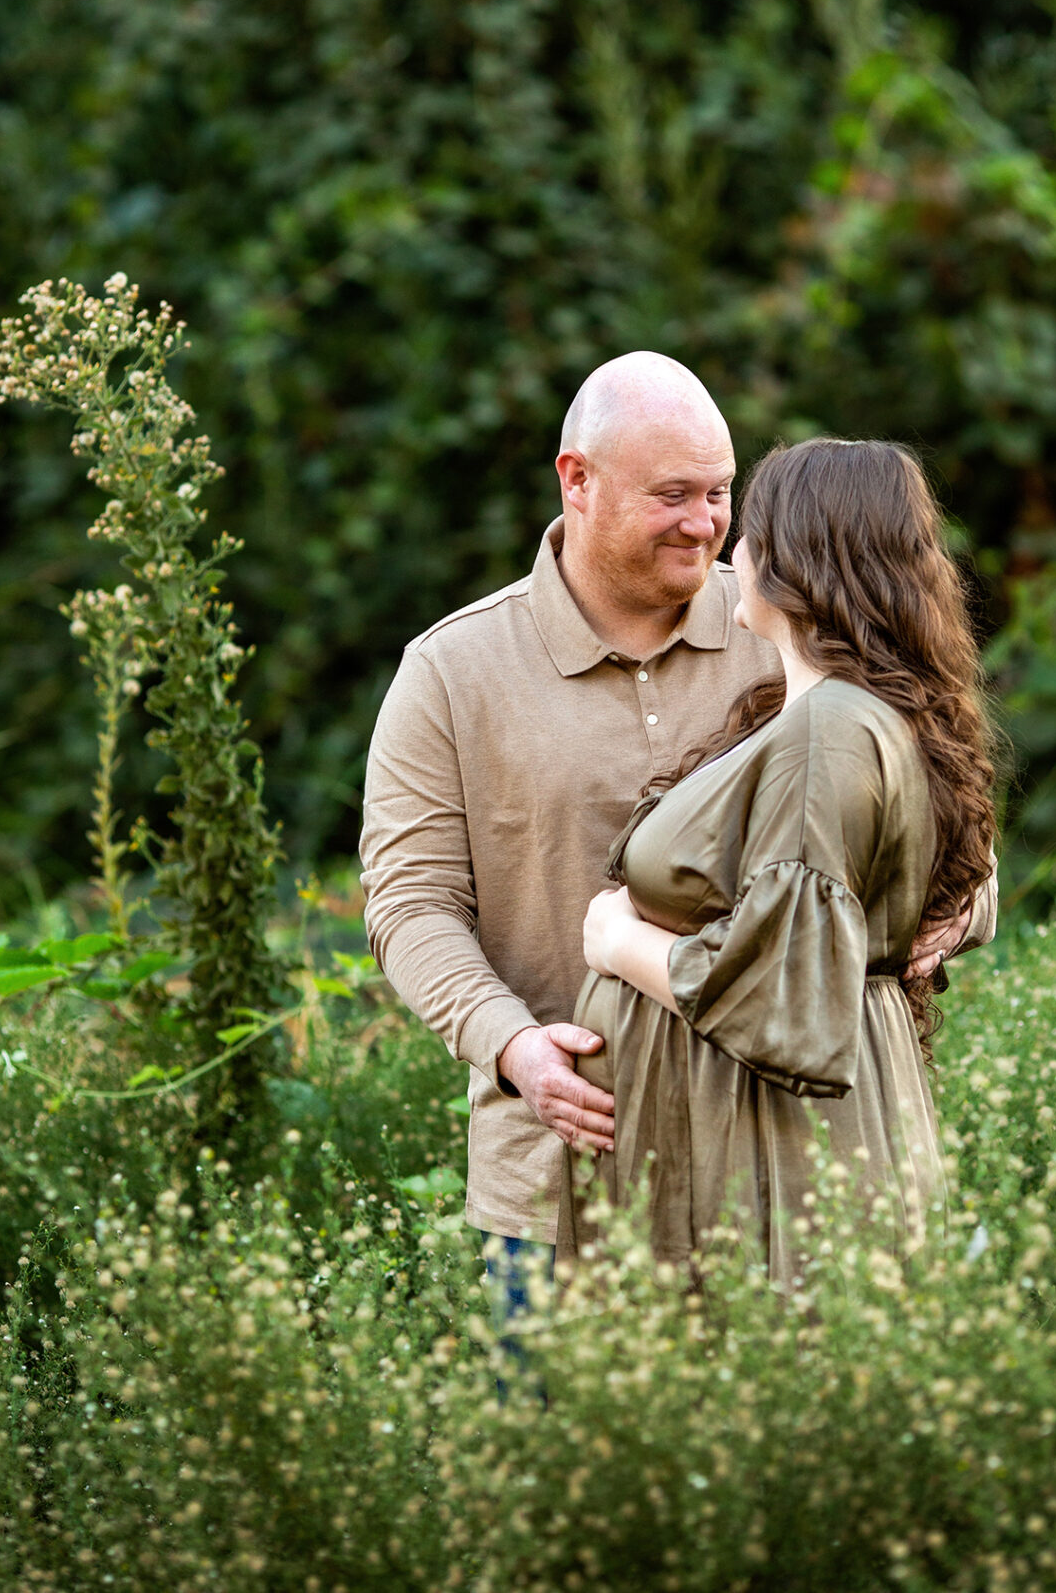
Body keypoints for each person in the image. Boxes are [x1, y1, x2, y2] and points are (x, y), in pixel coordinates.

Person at [361, 359, 994, 1256]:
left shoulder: (786, 617)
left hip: (778, 1166)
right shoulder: (452, 672)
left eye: (721, 493)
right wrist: (512, 1049)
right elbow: (410, 904)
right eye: (672, 495)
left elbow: (931, 789)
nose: (704, 524)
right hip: (567, 1163)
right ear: (576, 480)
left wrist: (960, 907)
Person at [557, 437, 999, 1278]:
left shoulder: (831, 729)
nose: (736, 550)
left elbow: (785, 1002)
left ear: (799, 557)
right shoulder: (834, 713)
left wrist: (615, 942)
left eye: (751, 527)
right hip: (745, 1130)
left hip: (764, 1146)